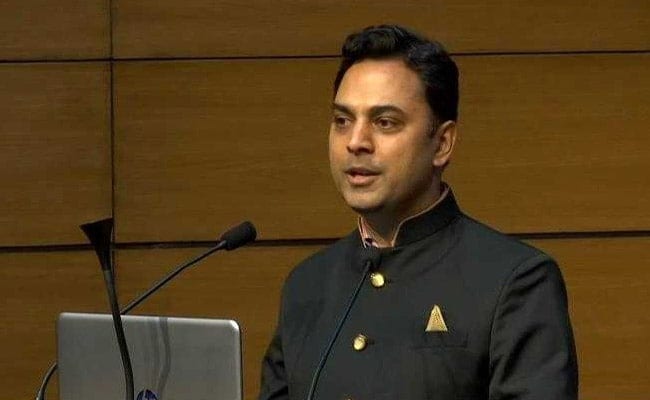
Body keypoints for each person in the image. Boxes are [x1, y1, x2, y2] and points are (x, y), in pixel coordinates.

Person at [258, 25, 578, 400]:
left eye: (385, 122)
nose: (356, 142)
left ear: (442, 144)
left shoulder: (516, 280)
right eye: (342, 121)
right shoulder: (307, 284)